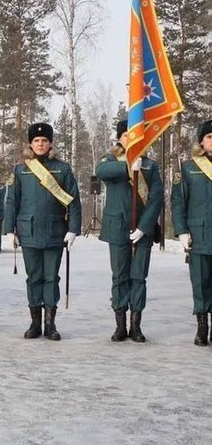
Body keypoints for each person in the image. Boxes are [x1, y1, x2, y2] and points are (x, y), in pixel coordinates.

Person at [4, 123, 82, 341]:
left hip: (55, 232)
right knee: (33, 278)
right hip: (27, 231)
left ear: (50, 144)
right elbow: (12, 201)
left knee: (51, 278)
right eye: (36, 141)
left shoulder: (63, 169)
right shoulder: (20, 170)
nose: (40, 144)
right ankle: (35, 323)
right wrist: (9, 229)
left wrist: (73, 229)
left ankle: (50, 324)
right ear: (30, 144)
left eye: (44, 141)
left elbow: (74, 201)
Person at [95, 119, 163, 343]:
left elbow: (155, 198)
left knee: (139, 277)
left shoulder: (150, 166)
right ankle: (120, 325)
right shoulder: (111, 160)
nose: (130, 139)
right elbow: (101, 171)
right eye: (126, 135)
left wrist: (144, 227)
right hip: (117, 228)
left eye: (134, 135)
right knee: (120, 276)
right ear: (120, 138)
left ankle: (136, 326)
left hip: (142, 230)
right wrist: (127, 166)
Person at [173, 120, 212, 346]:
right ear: (201, 141)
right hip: (199, 235)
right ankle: (202, 327)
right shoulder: (188, 168)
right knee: (200, 282)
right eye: (209, 137)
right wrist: (182, 231)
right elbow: (178, 202)